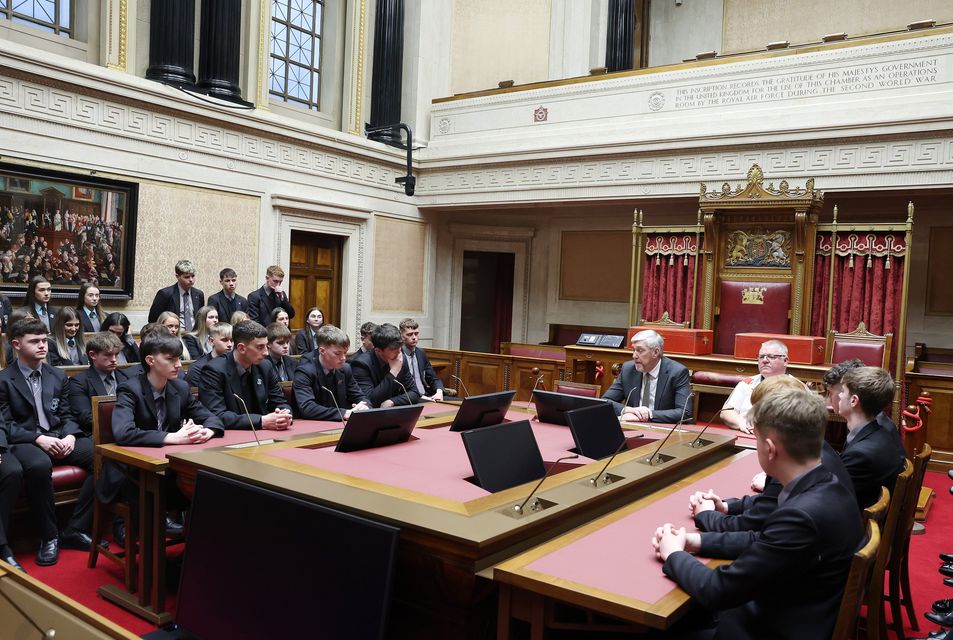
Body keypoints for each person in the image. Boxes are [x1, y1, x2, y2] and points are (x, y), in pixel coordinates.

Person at [652, 387, 864, 639]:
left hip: (769, 628)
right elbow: (764, 540)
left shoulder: (801, 516)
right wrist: (694, 540)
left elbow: (718, 590)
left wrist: (673, 553)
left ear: (770, 448)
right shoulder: (828, 483)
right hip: (799, 611)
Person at [689, 375, 856, 533]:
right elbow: (770, 501)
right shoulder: (811, 447)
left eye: (759, 413)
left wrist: (705, 516)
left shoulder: (791, 462)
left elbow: (753, 526)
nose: (754, 423)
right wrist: (726, 506)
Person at [0, 318, 95, 566]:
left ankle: (75, 528)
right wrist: (38, 438)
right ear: (16, 344)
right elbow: (7, 424)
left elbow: (67, 414)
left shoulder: (57, 375)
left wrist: (71, 436)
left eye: (44, 340)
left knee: (105, 458)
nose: (42, 346)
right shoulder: (3, 379)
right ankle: (49, 536)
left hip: (60, 435)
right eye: (35, 341)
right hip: (25, 441)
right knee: (39, 466)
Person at [96, 335, 223, 507]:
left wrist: (206, 432)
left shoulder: (180, 387)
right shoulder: (130, 389)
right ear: (150, 360)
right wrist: (174, 437)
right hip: (132, 471)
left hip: (168, 466)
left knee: (210, 481)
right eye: (170, 359)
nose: (178, 364)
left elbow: (211, 417)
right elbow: (123, 433)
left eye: (178, 358)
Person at [198, 320, 292, 430]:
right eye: (260, 347)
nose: (266, 352)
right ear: (241, 348)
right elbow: (217, 415)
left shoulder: (265, 366)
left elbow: (280, 401)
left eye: (266, 346)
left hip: (266, 434)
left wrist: (285, 414)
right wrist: (261, 421)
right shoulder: (214, 370)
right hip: (232, 438)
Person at [835, 366, 906, 509]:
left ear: (854, 400)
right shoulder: (880, 432)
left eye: (843, 391)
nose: (840, 396)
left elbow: (833, 499)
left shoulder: (860, 454)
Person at [601, 329, 692, 423]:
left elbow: (684, 412)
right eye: (634, 350)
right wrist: (630, 410)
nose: (634, 356)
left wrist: (646, 415)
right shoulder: (628, 369)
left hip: (663, 428)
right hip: (633, 426)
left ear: (655, 352)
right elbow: (605, 401)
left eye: (640, 350)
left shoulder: (677, 372)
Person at [294, 325, 369, 421]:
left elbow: (360, 396)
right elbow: (308, 408)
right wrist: (345, 413)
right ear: (322, 351)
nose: (343, 358)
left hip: (339, 426)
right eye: (338, 353)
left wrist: (364, 407)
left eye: (345, 353)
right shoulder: (304, 372)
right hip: (311, 427)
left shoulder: (345, 369)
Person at [721, 339, 798, 434]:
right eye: (761, 357)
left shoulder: (796, 387)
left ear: (785, 361)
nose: (765, 360)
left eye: (771, 357)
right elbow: (726, 412)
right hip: (744, 433)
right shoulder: (747, 383)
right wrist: (741, 424)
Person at [68, 332, 129, 434]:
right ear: (93, 355)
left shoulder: (126, 377)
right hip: (97, 435)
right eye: (108, 355)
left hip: (128, 431)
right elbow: (86, 418)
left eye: (116, 354)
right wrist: (125, 422)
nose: (114, 360)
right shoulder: (79, 382)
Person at [351, 323, 420, 408]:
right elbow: (369, 400)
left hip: (394, 412)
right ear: (378, 350)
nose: (399, 352)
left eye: (399, 347)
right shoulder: (361, 364)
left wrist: (393, 401)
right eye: (393, 349)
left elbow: (414, 392)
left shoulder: (399, 357)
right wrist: (393, 373)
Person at [147, 259, 205, 331]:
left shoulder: (199, 294)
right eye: (186, 277)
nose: (191, 280)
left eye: (193, 276)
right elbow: (153, 320)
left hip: (195, 334)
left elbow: (201, 318)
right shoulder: (165, 294)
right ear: (177, 276)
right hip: (173, 335)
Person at [399, 318, 444, 401]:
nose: (414, 337)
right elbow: (402, 387)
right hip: (409, 398)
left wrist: (439, 391)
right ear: (401, 335)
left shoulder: (420, 353)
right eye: (409, 334)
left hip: (427, 395)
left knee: (461, 402)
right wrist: (422, 397)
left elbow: (433, 378)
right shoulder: (398, 355)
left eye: (416, 334)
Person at [186, 322, 233, 387]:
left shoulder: (237, 365)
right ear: (211, 341)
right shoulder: (197, 369)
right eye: (224, 340)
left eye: (232, 340)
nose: (230, 345)